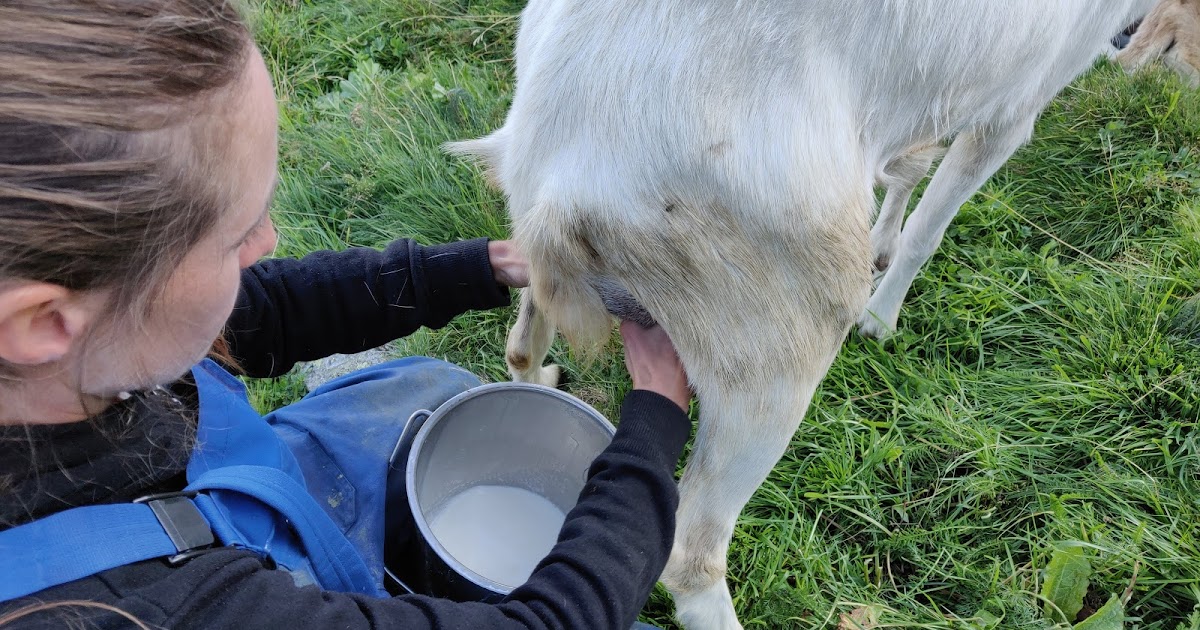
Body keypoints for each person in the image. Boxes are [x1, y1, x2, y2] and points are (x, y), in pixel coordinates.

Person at [0, 1, 693, 628]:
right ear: (43, 323)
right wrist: (655, 420)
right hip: (232, 569)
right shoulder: (138, 614)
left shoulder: (73, 348)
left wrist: (489, 264)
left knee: (426, 387)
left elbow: (254, 315)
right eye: (237, 235)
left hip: (225, 494)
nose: (268, 241)